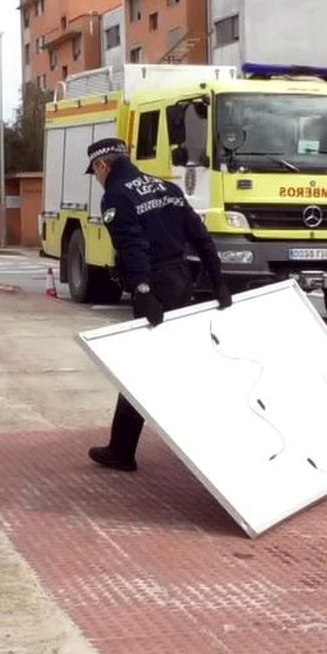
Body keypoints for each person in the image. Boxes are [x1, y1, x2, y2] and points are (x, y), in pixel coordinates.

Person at [85, 138, 232, 473]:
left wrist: (142, 290)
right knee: (153, 366)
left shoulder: (116, 195)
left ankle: (125, 451)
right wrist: (218, 281)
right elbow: (201, 236)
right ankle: (121, 448)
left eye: (95, 172)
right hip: (183, 280)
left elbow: (131, 246)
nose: (97, 178)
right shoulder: (167, 188)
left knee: (145, 369)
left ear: (102, 166)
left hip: (156, 286)